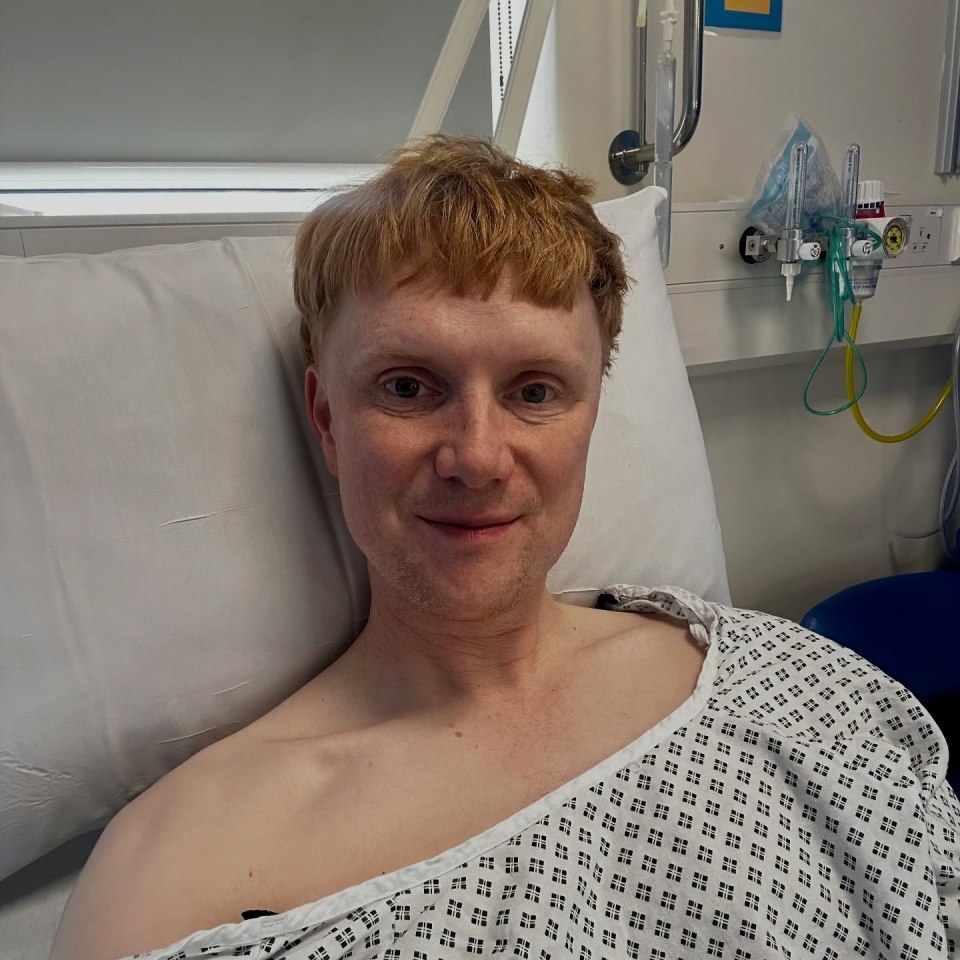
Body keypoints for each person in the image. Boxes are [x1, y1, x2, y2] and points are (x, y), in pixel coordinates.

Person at [50, 136, 958, 960]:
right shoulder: (177, 877)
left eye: (534, 391)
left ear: (591, 414)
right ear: (327, 421)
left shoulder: (799, 692)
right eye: (409, 387)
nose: (477, 457)